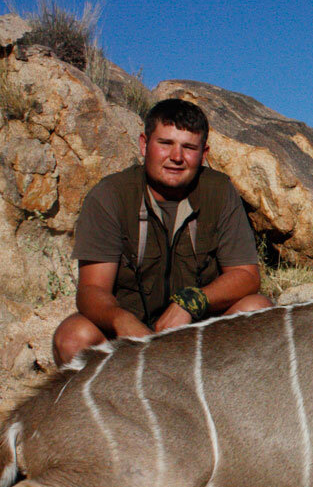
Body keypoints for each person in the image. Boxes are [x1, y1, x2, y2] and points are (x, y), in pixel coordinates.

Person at [52, 99, 272, 366]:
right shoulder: (110, 195)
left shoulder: (220, 191)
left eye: (189, 147)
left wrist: (191, 303)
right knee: (74, 338)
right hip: (130, 338)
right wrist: (122, 321)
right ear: (145, 145)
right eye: (165, 143)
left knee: (256, 310)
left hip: (197, 334)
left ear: (204, 154)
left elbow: (246, 277)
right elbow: (91, 290)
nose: (176, 157)